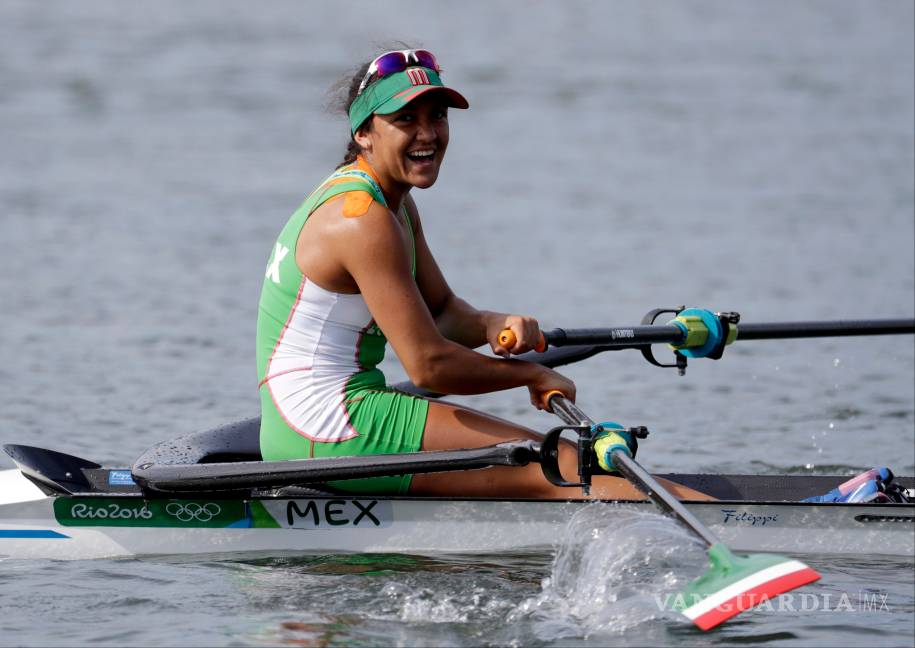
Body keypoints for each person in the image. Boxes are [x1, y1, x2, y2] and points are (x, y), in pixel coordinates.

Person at [256, 48, 711, 501]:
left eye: (437, 116)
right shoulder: (362, 219)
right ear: (364, 133)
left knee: (562, 463)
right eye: (405, 120)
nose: (427, 134)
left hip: (315, 417)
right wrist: (531, 376)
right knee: (569, 469)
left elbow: (442, 315)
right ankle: (741, 536)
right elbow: (429, 365)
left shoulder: (388, 201)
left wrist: (492, 323)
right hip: (326, 423)